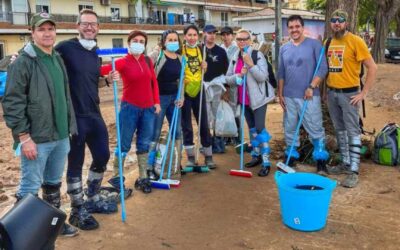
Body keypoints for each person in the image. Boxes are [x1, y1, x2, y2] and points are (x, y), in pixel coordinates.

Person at [2, 12, 78, 236]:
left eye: (50, 29)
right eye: (41, 29)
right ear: (32, 32)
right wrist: (24, 138)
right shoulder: (23, 62)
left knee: (53, 183)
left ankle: (51, 225)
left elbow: (64, 96)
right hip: (36, 139)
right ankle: (18, 235)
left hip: (61, 135)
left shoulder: (56, 58)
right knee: (29, 188)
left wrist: (68, 128)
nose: (47, 33)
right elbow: (12, 103)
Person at [55, 9, 118, 231]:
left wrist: (107, 80)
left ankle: (91, 196)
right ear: (77, 26)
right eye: (85, 24)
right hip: (75, 116)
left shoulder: (95, 52)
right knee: (76, 162)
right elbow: (46, 58)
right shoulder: (65, 48)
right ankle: (76, 209)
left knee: (102, 154)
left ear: (98, 28)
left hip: (94, 113)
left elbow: (91, 82)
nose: (89, 27)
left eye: (93, 24)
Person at [101, 30, 161, 194]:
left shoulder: (148, 61)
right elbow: (102, 70)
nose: (139, 43)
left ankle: (142, 178)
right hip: (129, 108)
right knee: (124, 143)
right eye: (135, 40)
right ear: (128, 43)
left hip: (148, 109)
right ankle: (116, 177)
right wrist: (107, 75)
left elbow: (153, 82)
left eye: (142, 41)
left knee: (144, 143)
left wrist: (156, 102)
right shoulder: (122, 62)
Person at [325, 9, 377, 188]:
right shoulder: (328, 42)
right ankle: (345, 163)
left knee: (353, 131)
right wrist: (326, 92)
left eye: (340, 20)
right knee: (340, 130)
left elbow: (372, 67)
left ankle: (354, 171)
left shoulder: (356, 41)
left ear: (346, 23)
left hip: (350, 94)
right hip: (332, 93)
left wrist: (363, 94)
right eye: (333, 20)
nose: (336, 23)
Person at [277, 15, 329, 174]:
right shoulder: (283, 48)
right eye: (291, 27)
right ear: (288, 29)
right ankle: (291, 156)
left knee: (315, 126)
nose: (294, 30)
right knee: (290, 127)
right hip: (289, 95)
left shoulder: (314, 45)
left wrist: (312, 86)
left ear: (302, 27)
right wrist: (280, 94)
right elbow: (281, 73)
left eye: (297, 26)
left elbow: (322, 68)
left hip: (309, 95)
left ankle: (320, 160)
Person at [225, 29, 275, 177]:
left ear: (250, 40)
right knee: (252, 129)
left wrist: (251, 65)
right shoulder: (235, 56)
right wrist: (238, 76)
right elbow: (227, 78)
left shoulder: (257, 55)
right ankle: (256, 155)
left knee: (260, 128)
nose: (242, 42)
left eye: (245, 39)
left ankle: (266, 162)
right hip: (243, 100)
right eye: (239, 39)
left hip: (258, 100)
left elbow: (262, 77)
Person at [147, 29, 184, 178]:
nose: (173, 42)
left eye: (175, 40)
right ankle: (149, 167)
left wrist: (181, 97)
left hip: (175, 98)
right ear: (163, 42)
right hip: (159, 99)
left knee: (177, 131)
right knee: (155, 132)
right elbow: (146, 62)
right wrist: (156, 50)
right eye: (170, 40)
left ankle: (175, 162)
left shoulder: (181, 59)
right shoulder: (158, 55)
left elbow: (181, 80)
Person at [181, 24, 214, 168]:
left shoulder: (202, 49)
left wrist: (205, 68)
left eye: (195, 35)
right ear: (184, 36)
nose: (192, 38)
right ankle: (190, 157)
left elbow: (203, 72)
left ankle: (208, 156)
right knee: (186, 125)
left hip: (199, 90)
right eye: (189, 35)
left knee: (204, 124)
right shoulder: (179, 50)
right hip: (184, 92)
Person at [202, 24, 229, 154]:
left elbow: (226, 71)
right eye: (209, 33)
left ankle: (218, 143)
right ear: (204, 34)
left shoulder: (221, 51)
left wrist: (226, 90)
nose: (212, 35)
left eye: (214, 33)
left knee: (218, 116)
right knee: (206, 117)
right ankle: (207, 143)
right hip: (204, 88)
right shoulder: (199, 50)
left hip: (218, 87)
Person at [220, 26, 240, 146]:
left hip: (234, 84)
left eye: (228, 34)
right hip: (221, 84)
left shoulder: (237, 49)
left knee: (235, 109)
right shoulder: (220, 48)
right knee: (224, 110)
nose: (225, 37)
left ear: (232, 35)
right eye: (223, 35)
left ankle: (237, 136)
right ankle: (226, 135)